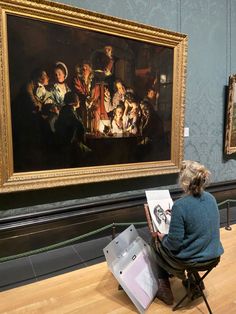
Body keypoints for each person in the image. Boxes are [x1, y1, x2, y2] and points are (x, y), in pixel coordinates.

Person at [152, 160, 224, 306]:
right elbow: (199, 224)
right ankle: (195, 283)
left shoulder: (180, 205)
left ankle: (164, 287)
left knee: (155, 242)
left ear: (183, 181)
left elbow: (173, 244)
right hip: (214, 255)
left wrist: (162, 237)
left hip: (194, 260)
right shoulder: (211, 198)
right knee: (193, 242)